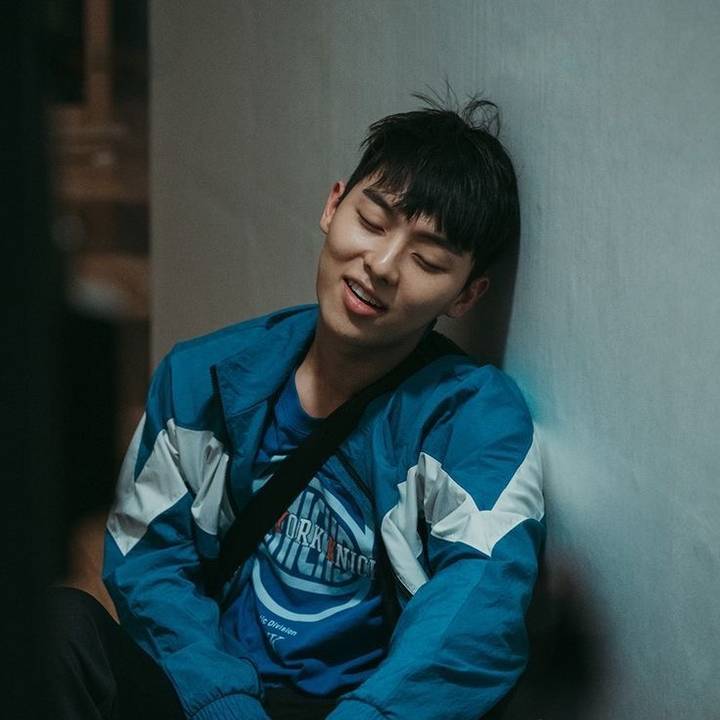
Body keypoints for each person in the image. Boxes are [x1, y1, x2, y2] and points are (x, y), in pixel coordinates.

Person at [49, 94, 544, 720]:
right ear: (333, 205)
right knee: (59, 627)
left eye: (426, 260)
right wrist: (222, 704)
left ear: (466, 296)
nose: (381, 266)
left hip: (361, 707)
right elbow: (149, 559)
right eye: (372, 221)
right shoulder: (203, 379)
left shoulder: (475, 421)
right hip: (213, 692)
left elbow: (478, 609)